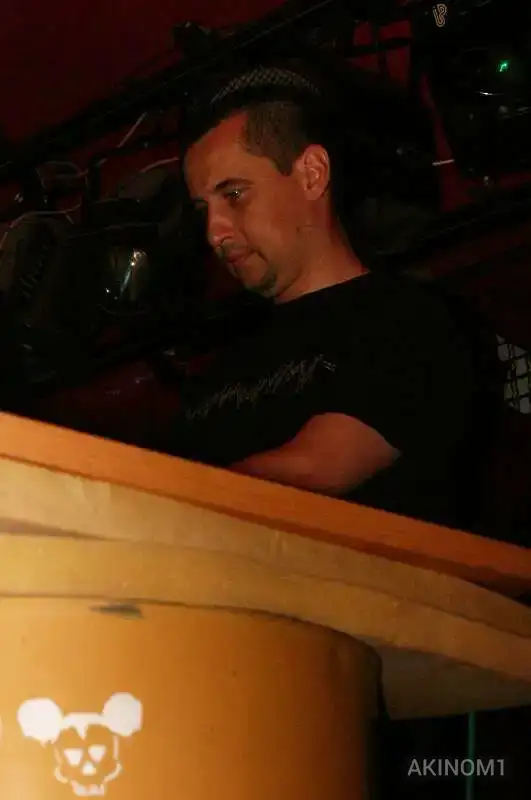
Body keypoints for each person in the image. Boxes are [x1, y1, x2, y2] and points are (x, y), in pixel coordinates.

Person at [166, 63, 500, 530]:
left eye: (234, 195)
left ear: (312, 174)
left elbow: (315, 471)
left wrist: (162, 504)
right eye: (204, 209)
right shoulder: (221, 367)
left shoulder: (408, 320)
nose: (213, 232)